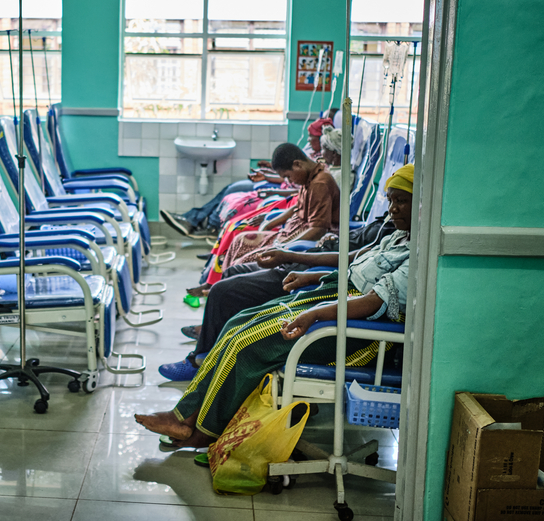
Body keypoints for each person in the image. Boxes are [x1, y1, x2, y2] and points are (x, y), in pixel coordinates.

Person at [137, 164, 414, 446]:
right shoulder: (395, 236)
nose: (392, 208)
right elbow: (352, 262)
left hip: (353, 328)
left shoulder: (415, 258)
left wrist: (313, 315)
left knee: (248, 344)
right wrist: (307, 273)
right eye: (391, 200)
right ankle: (185, 414)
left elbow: (371, 302)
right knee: (238, 322)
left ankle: (203, 431)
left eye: (401, 201)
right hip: (331, 299)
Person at [201, 143, 339, 286]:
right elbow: (298, 207)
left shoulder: (320, 184)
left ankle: (228, 289)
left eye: (288, 176)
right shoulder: (310, 177)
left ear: (297, 165)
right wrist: (270, 223)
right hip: (288, 233)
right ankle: (219, 285)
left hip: (299, 241)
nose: (290, 181)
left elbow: (318, 230)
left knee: (243, 263)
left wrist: (285, 248)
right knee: (240, 241)